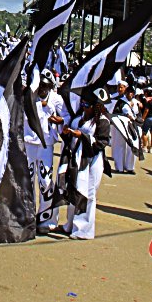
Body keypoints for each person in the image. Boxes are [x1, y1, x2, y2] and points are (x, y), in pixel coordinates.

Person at [61, 88, 112, 239]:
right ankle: (70, 224)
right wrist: (66, 134)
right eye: (83, 103)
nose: (84, 106)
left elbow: (102, 142)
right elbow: (71, 137)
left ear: (96, 106)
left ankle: (84, 230)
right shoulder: (79, 116)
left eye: (87, 104)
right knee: (74, 189)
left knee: (88, 193)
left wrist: (82, 136)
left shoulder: (102, 121)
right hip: (77, 158)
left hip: (92, 160)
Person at [25, 69, 65, 233]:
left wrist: (59, 120)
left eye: (46, 86)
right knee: (26, 180)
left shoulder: (56, 99)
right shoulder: (28, 96)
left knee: (45, 181)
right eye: (41, 85)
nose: (43, 89)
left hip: (46, 144)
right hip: (28, 142)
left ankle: (46, 219)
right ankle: (26, 219)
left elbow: (66, 116)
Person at [112, 88, 141, 174]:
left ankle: (130, 167)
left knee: (132, 146)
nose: (130, 94)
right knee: (120, 145)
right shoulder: (121, 102)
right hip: (122, 125)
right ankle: (119, 167)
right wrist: (125, 115)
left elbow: (139, 114)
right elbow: (115, 113)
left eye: (132, 92)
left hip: (132, 126)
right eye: (128, 92)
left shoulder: (136, 103)